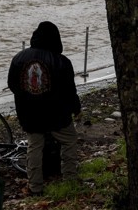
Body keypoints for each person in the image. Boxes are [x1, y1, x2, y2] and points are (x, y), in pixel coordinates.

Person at [7, 21, 82, 193]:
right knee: (69, 141)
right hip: (57, 114)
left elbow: (12, 84)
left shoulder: (19, 58)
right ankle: (70, 180)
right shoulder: (62, 62)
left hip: (30, 114)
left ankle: (35, 187)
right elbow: (70, 91)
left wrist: (28, 98)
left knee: (34, 146)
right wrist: (76, 109)